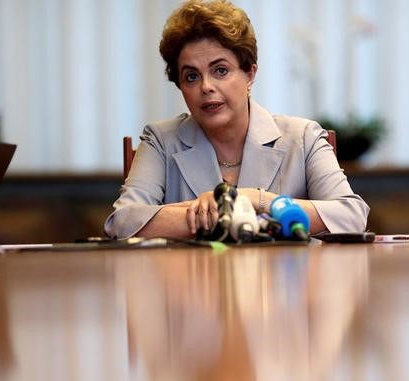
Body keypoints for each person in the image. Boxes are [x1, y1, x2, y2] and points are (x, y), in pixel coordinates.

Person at [104, 0, 369, 240]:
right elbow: (123, 222)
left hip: (283, 289)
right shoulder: (161, 141)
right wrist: (223, 213)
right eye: (191, 76)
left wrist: (256, 200)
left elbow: (351, 215)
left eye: (220, 70)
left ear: (250, 74)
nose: (206, 86)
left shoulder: (303, 137)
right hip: (189, 288)